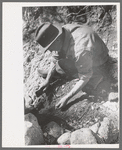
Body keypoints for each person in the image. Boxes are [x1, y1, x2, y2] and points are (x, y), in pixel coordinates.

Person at [34, 22, 109, 109]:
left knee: (64, 66)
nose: (50, 51)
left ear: (57, 40)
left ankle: (96, 77)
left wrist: (67, 98)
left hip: (99, 59)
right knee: (60, 64)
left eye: (50, 48)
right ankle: (57, 72)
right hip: (87, 53)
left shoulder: (80, 50)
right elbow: (55, 57)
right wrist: (47, 80)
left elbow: (85, 76)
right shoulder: (61, 33)